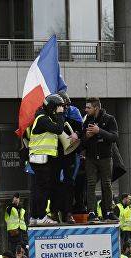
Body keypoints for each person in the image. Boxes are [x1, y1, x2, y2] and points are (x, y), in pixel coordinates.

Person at [27, 94, 66, 225]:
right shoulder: (43, 119)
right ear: (51, 107)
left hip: (39, 158)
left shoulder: (43, 117)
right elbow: (59, 129)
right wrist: (60, 115)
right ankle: (41, 216)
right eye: (57, 108)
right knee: (42, 189)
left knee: (39, 188)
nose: (58, 110)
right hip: (41, 159)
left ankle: (35, 216)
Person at [81, 97, 119, 222]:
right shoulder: (87, 120)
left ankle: (108, 211)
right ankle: (92, 212)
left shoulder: (109, 119)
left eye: (88, 107)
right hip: (91, 158)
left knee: (106, 184)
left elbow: (114, 137)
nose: (86, 110)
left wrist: (99, 131)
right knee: (90, 184)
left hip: (105, 157)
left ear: (96, 108)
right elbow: (82, 142)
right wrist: (86, 136)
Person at [50, 91, 82, 224]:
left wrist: (77, 133)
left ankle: (68, 213)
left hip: (70, 152)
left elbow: (81, 127)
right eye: (64, 105)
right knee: (54, 183)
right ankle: (54, 211)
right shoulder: (50, 115)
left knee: (69, 184)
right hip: (55, 152)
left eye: (67, 105)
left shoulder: (74, 113)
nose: (66, 107)